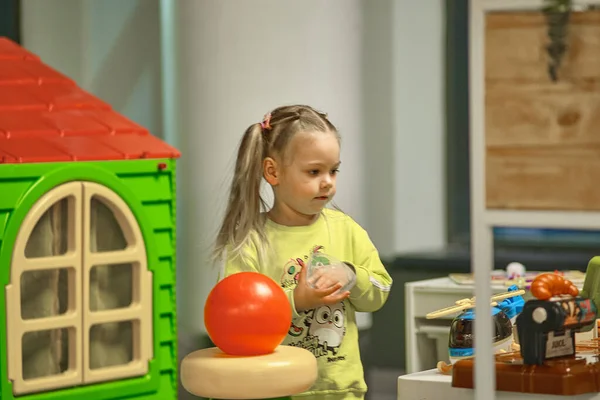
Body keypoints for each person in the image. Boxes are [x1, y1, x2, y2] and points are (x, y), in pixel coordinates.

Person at [213, 104, 393, 400]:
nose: (328, 182)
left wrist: (350, 274)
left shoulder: (346, 229)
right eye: (314, 171)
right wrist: (296, 299)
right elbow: (236, 320)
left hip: (340, 390)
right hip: (275, 390)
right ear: (273, 171)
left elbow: (381, 289)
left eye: (333, 170)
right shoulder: (250, 240)